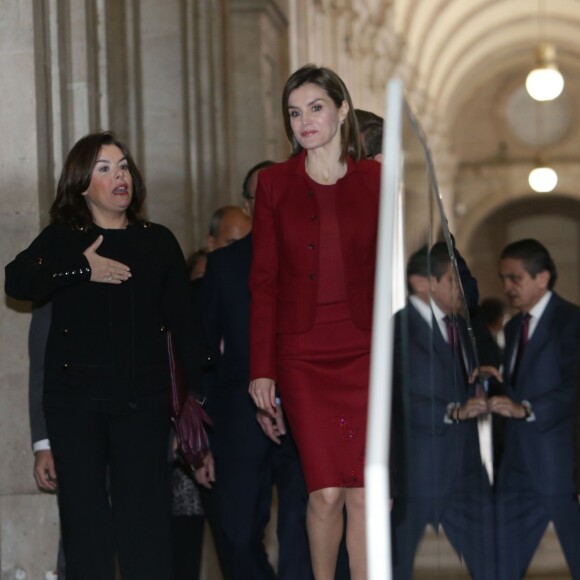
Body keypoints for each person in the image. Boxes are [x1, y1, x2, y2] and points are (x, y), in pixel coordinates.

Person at [4, 131, 213, 580]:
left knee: (146, 533)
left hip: (143, 407)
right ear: (82, 184)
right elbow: (17, 282)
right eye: (104, 168)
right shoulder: (63, 239)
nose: (119, 176)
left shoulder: (157, 241)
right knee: (86, 533)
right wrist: (83, 268)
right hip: (75, 409)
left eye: (123, 167)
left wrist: (190, 400)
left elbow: (186, 328)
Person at [248, 64, 380, 580]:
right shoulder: (274, 184)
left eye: (316, 108)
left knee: (364, 491)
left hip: (366, 352)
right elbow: (264, 282)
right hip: (302, 357)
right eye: (294, 112)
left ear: (342, 110)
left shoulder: (375, 179)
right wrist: (263, 367)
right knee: (324, 492)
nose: (304, 121)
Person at [199, 160, 317, 580]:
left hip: (306, 419)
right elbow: (203, 353)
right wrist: (200, 432)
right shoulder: (224, 266)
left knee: (303, 534)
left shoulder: (316, 260)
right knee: (236, 534)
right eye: (259, 195)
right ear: (247, 206)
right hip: (238, 421)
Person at [391, 243, 495, 579]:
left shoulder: (461, 329)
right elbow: (400, 400)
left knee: (490, 557)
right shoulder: (398, 330)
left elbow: (457, 385)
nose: (462, 290)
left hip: (465, 468)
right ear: (423, 283)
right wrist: (453, 411)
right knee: (397, 560)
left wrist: (480, 385)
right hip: (417, 470)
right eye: (453, 280)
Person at [489, 239, 580, 579]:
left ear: (542, 278)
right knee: (503, 561)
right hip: (515, 465)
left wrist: (526, 408)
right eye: (503, 278)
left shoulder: (571, 322)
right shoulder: (513, 327)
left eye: (515, 278)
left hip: (561, 466)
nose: (507, 287)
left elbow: (574, 389)